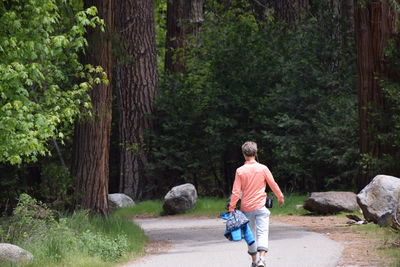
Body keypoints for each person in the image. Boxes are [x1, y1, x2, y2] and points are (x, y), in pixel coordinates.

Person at [228, 141, 285, 267]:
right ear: (256, 152)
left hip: (246, 209)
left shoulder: (240, 171)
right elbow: (273, 184)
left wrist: (231, 207)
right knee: (263, 232)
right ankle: (262, 259)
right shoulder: (263, 168)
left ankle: (254, 261)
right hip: (261, 206)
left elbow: (236, 192)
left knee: (250, 235)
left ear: (244, 154)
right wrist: (280, 197)